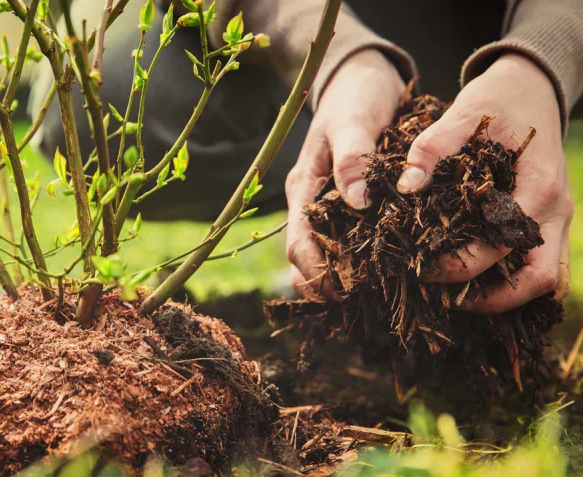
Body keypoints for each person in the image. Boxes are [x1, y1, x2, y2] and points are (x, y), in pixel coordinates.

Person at [30, 0, 582, 313]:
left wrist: (545, 60)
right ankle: (352, 163)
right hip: (328, 19)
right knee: (84, 97)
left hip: (524, 18)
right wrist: (339, 58)